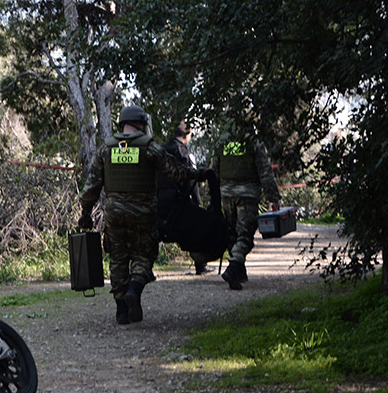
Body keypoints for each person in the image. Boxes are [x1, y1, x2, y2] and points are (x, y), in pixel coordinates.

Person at [78, 105, 209, 324]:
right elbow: (176, 172)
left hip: (114, 212)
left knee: (118, 257)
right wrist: (200, 174)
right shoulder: (149, 147)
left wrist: (85, 212)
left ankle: (121, 310)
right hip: (143, 211)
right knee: (144, 253)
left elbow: (91, 186)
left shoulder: (106, 149)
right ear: (140, 123)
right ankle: (135, 290)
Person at [212, 131, 281, 290]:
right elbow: (265, 171)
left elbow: (213, 168)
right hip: (247, 194)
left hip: (226, 193)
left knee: (231, 232)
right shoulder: (253, 140)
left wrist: (212, 196)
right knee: (245, 234)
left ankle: (239, 272)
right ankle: (234, 267)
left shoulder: (222, 140)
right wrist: (273, 197)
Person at [157, 120, 213, 275]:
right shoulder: (186, 154)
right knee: (195, 231)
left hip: (160, 200)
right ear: (187, 135)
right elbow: (192, 179)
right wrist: (197, 202)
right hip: (180, 201)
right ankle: (200, 265)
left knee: (156, 233)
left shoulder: (160, 150)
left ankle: (147, 269)